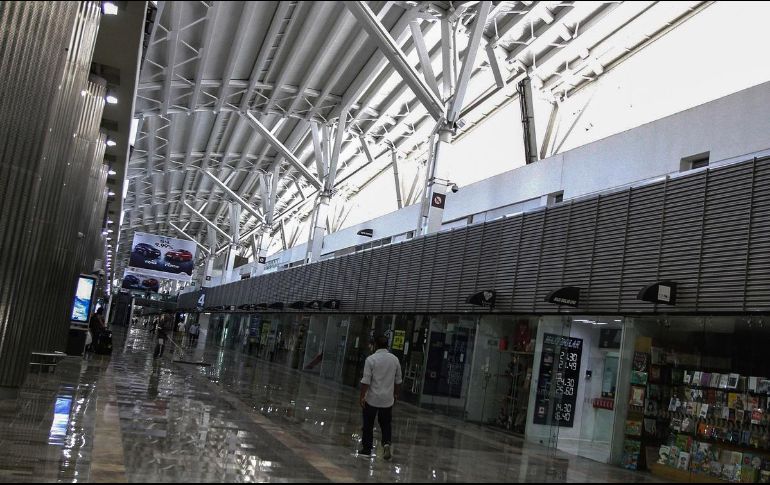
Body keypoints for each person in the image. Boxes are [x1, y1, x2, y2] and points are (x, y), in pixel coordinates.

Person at [358, 335, 402, 460]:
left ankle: (367, 449)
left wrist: (362, 396)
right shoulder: (395, 360)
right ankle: (386, 443)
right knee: (386, 423)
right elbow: (398, 380)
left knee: (368, 424)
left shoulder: (371, 359)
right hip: (387, 399)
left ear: (375, 345)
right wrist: (396, 394)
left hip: (372, 398)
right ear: (387, 345)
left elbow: (366, 380)